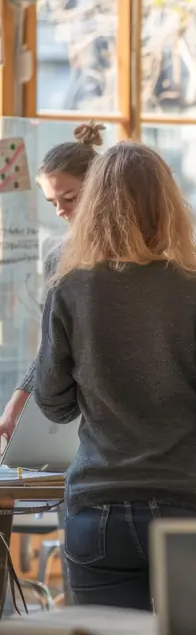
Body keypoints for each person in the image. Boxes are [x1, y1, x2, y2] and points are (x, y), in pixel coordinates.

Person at [34, 141, 196, 610]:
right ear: (168, 204)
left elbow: (53, 403)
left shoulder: (69, 288)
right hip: (186, 506)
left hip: (98, 509)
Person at [0, 121, 105, 443]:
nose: (60, 210)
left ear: (98, 188)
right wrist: (15, 406)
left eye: (69, 198)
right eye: (52, 202)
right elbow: (52, 343)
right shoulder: (57, 256)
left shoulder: (136, 251)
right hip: (76, 405)